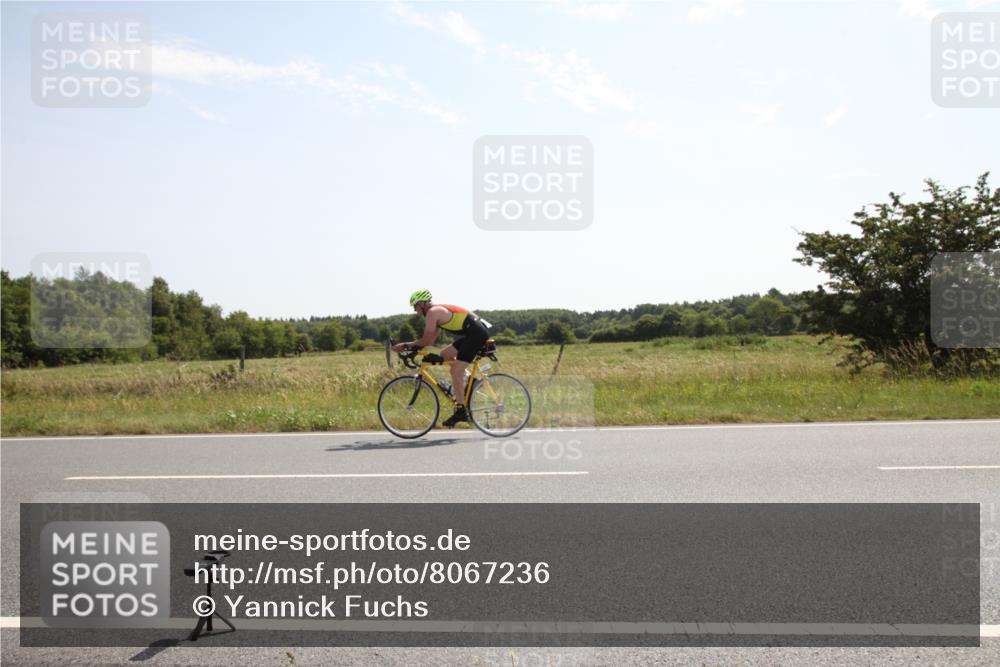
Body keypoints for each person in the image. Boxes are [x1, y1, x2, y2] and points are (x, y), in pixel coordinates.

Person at [392, 289, 491, 427]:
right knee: (445, 355)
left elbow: (425, 340)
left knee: (455, 371)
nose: (415, 311)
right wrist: (414, 348)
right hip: (473, 333)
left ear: (422, 304)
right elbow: (430, 341)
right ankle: (469, 381)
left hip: (476, 334)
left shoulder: (432, 313)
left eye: (415, 307)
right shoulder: (436, 313)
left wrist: (406, 345)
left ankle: (461, 411)